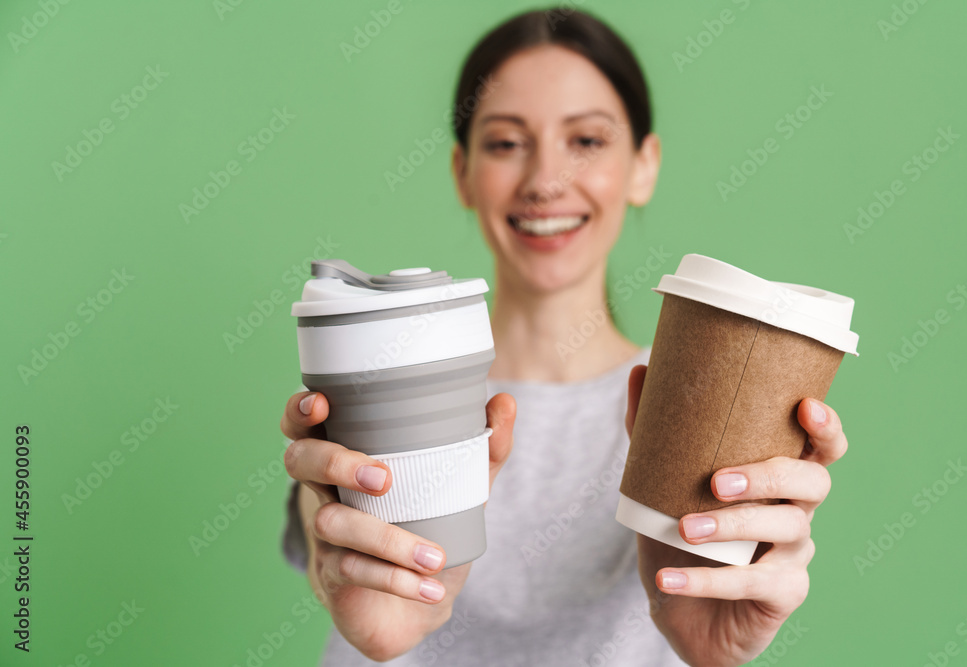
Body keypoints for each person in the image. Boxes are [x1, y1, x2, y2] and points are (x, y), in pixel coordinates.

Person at [279, 8, 850, 666]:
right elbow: (320, 515)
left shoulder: (705, 410)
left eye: (586, 140)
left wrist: (716, 637)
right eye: (504, 142)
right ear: (462, 171)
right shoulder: (377, 388)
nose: (546, 180)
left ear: (644, 164)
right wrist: (332, 549)